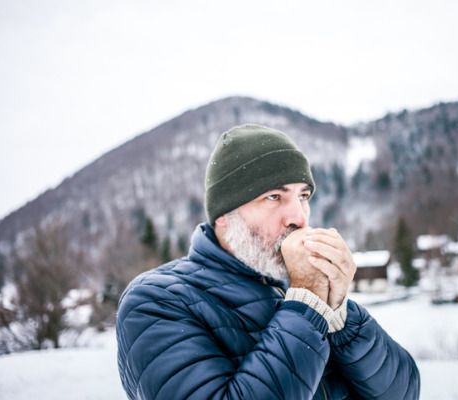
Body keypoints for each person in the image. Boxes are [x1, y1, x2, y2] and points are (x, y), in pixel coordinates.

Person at [116, 124, 420, 399]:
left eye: (303, 196)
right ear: (224, 215)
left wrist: (341, 317)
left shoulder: (296, 287)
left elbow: (403, 395)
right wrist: (307, 308)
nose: (299, 218)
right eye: (274, 197)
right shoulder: (156, 300)